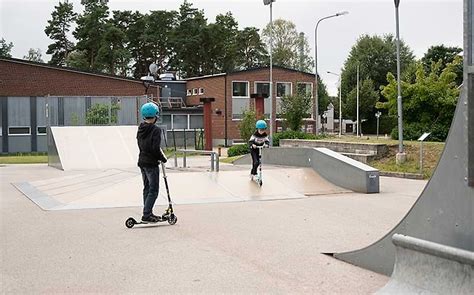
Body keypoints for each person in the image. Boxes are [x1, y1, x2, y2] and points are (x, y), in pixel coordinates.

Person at [137, 102, 168, 223]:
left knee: (147, 188)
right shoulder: (155, 130)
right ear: (155, 116)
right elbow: (155, 148)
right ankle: (146, 214)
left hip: (142, 162)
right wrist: (162, 158)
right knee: (154, 190)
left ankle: (148, 212)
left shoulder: (141, 128)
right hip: (151, 164)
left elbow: (141, 145)